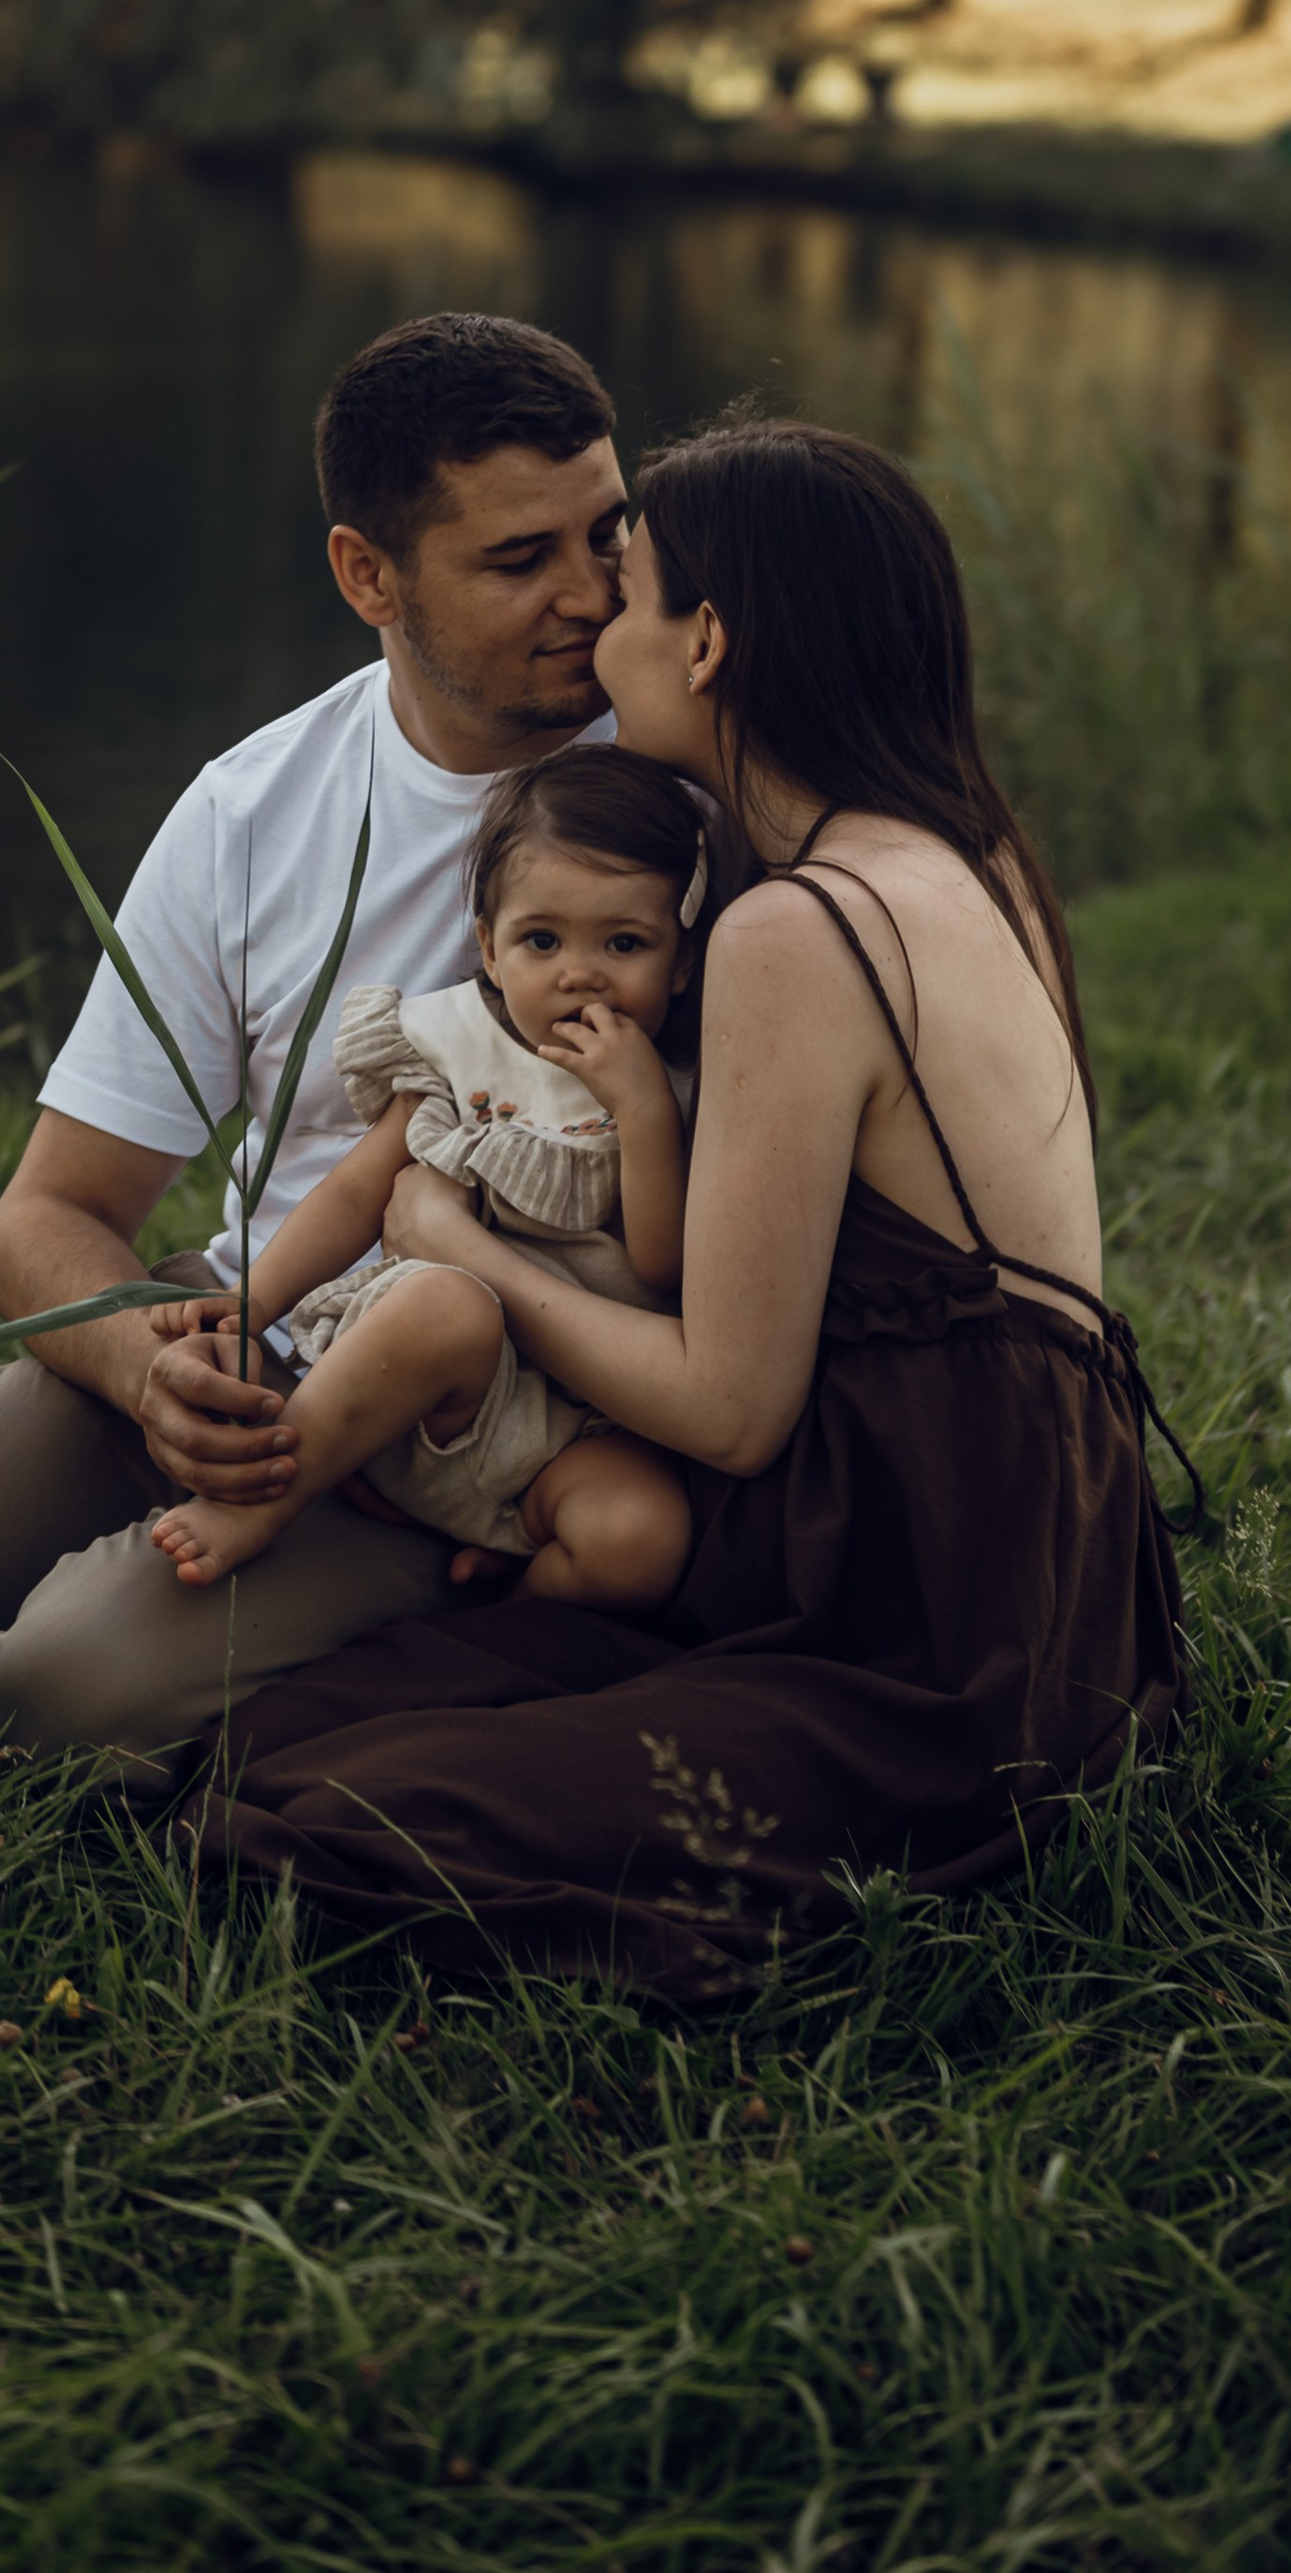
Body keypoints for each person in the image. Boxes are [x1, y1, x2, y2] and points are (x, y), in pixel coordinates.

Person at [189, 414, 1193, 2001]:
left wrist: (465, 1259)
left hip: (924, 1602)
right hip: (1053, 1558)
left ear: (710, 638)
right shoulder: (963, 848)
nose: (596, 619)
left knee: (343, 1812)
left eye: (629, 580)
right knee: (294, 1737)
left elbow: (729, 1408)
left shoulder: (804, 926)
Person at [0, 309, 630, 1771]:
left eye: (610, 534)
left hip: (476, 1430)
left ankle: (418, 1626)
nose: (592, 595)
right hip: (244, 1338)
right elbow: (54, 1212)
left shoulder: (681, 789)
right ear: (367, 573)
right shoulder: (254, 810)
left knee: (71, 1693)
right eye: (520, 559)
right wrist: (145, 1368)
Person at [144, 743, 720, 1611]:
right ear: (489, 949)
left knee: (642, 1537)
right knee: (446, 1304)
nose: (580, 971)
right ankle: (266, 1497)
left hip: (573, 1427)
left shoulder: (678, 1089)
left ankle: (506, 1612)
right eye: (542, 939)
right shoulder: (458, 1048)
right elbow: (354, 1191)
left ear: (679, 962)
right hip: (425, 1397)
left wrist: (643, 1115)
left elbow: (662, 1268)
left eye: (625, 942)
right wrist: (255, 1302)